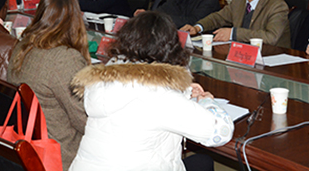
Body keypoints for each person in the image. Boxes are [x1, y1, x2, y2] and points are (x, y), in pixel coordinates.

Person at [69, 11, 233, 171]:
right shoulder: (159, 96)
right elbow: (221, 132)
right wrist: (206, 100)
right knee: (203, 162)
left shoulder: (104, 80)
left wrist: (184, 90)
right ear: (171, 48)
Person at [8, 0, 90, 169]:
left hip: (28, 145)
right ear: (76, 19)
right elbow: (85, 121)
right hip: (60, 154)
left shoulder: (22, 46)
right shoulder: (64, 58)